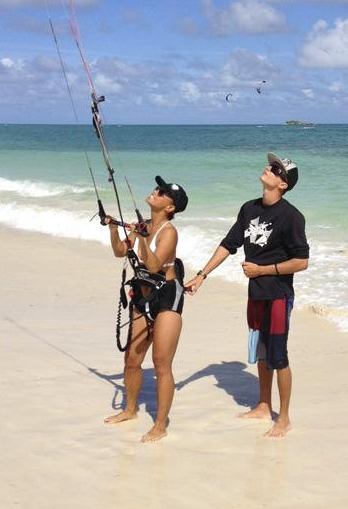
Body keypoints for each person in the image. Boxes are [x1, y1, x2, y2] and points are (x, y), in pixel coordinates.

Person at [185, 153, 309, 438]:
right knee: (262, 352)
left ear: (284, 184)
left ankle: (285, 418)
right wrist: (202, 276)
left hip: (278, 295)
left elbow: (301, 262)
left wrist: (263, 270)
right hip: (255, 295)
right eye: (271, 165)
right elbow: (228, 244)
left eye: (276, 169)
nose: (269, 168)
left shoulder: (292, 217)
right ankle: (264, 405)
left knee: (279, 356)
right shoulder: (248, 208)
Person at [104, 176, 188, 443]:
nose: (155, 191)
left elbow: (153, 265)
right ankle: (130, 410)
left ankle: (160, 425)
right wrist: (113, 227)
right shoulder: (143, 225)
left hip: (167, 298)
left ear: (170, 207)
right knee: (132, 360)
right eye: (156, 188)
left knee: (161, 363)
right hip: (142, 296)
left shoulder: (169, 232)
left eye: (162, 192)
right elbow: (120, 251)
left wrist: (141, 240)